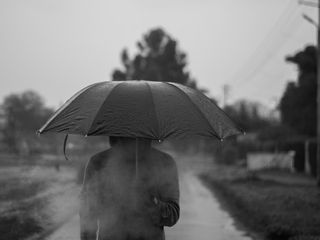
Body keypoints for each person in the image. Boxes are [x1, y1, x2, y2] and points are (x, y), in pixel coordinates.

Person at [80, 137, 180, 240]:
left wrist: (152, 205)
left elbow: (173, 214)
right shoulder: (99, 162)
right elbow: (88, 212)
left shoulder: (164, 163)